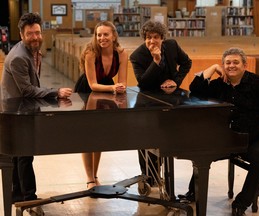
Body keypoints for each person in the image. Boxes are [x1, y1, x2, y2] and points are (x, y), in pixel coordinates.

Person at [188, 47, 259, 216]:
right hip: (228, 138)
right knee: (202, 151)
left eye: (236, 62)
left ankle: (241, 203)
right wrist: (212, 68)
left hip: (257, 138)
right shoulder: (219, 84)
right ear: (223, 66)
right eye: (227, 63)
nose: (231, 66)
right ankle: (193, 192)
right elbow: (195, 90)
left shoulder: (258, 83)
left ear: (244, 65)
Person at [1, 12, 72, 203]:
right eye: (30, 33)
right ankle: (29, 198)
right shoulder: (18, 57)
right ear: (22, 34)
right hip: (15, 112)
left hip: (20, 109)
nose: (36, 37)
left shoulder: (31, 51)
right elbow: (27, 90)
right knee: (24, 156)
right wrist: (55, 92)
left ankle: (18, 196)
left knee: (20, 157)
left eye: (38, 33)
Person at [129, 20, 192, 186]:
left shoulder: (171, 46)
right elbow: (143, 83)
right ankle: (148, 176)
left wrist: (176, 81)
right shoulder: (137, 56)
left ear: (162, 38)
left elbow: (187, 62)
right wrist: (156, 61)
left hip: (169, 99)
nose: (151, 41)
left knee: (164, 137)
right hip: (147, 101)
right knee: (145, 140)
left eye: (155, 37)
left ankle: (159, 172)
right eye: (148, 37)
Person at [75, 21, 128, 189]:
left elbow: (123, 82)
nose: (102, 38)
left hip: (108, 90)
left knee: (99, 135)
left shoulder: (121, 53)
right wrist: (114, 87)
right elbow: (92, 85)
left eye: (106, 34)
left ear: (113, 36)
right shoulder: (91, 53)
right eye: (99, 35)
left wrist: (120, 88)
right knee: (86, 135)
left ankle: (95, 175)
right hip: (87, 91)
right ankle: (89, 178)